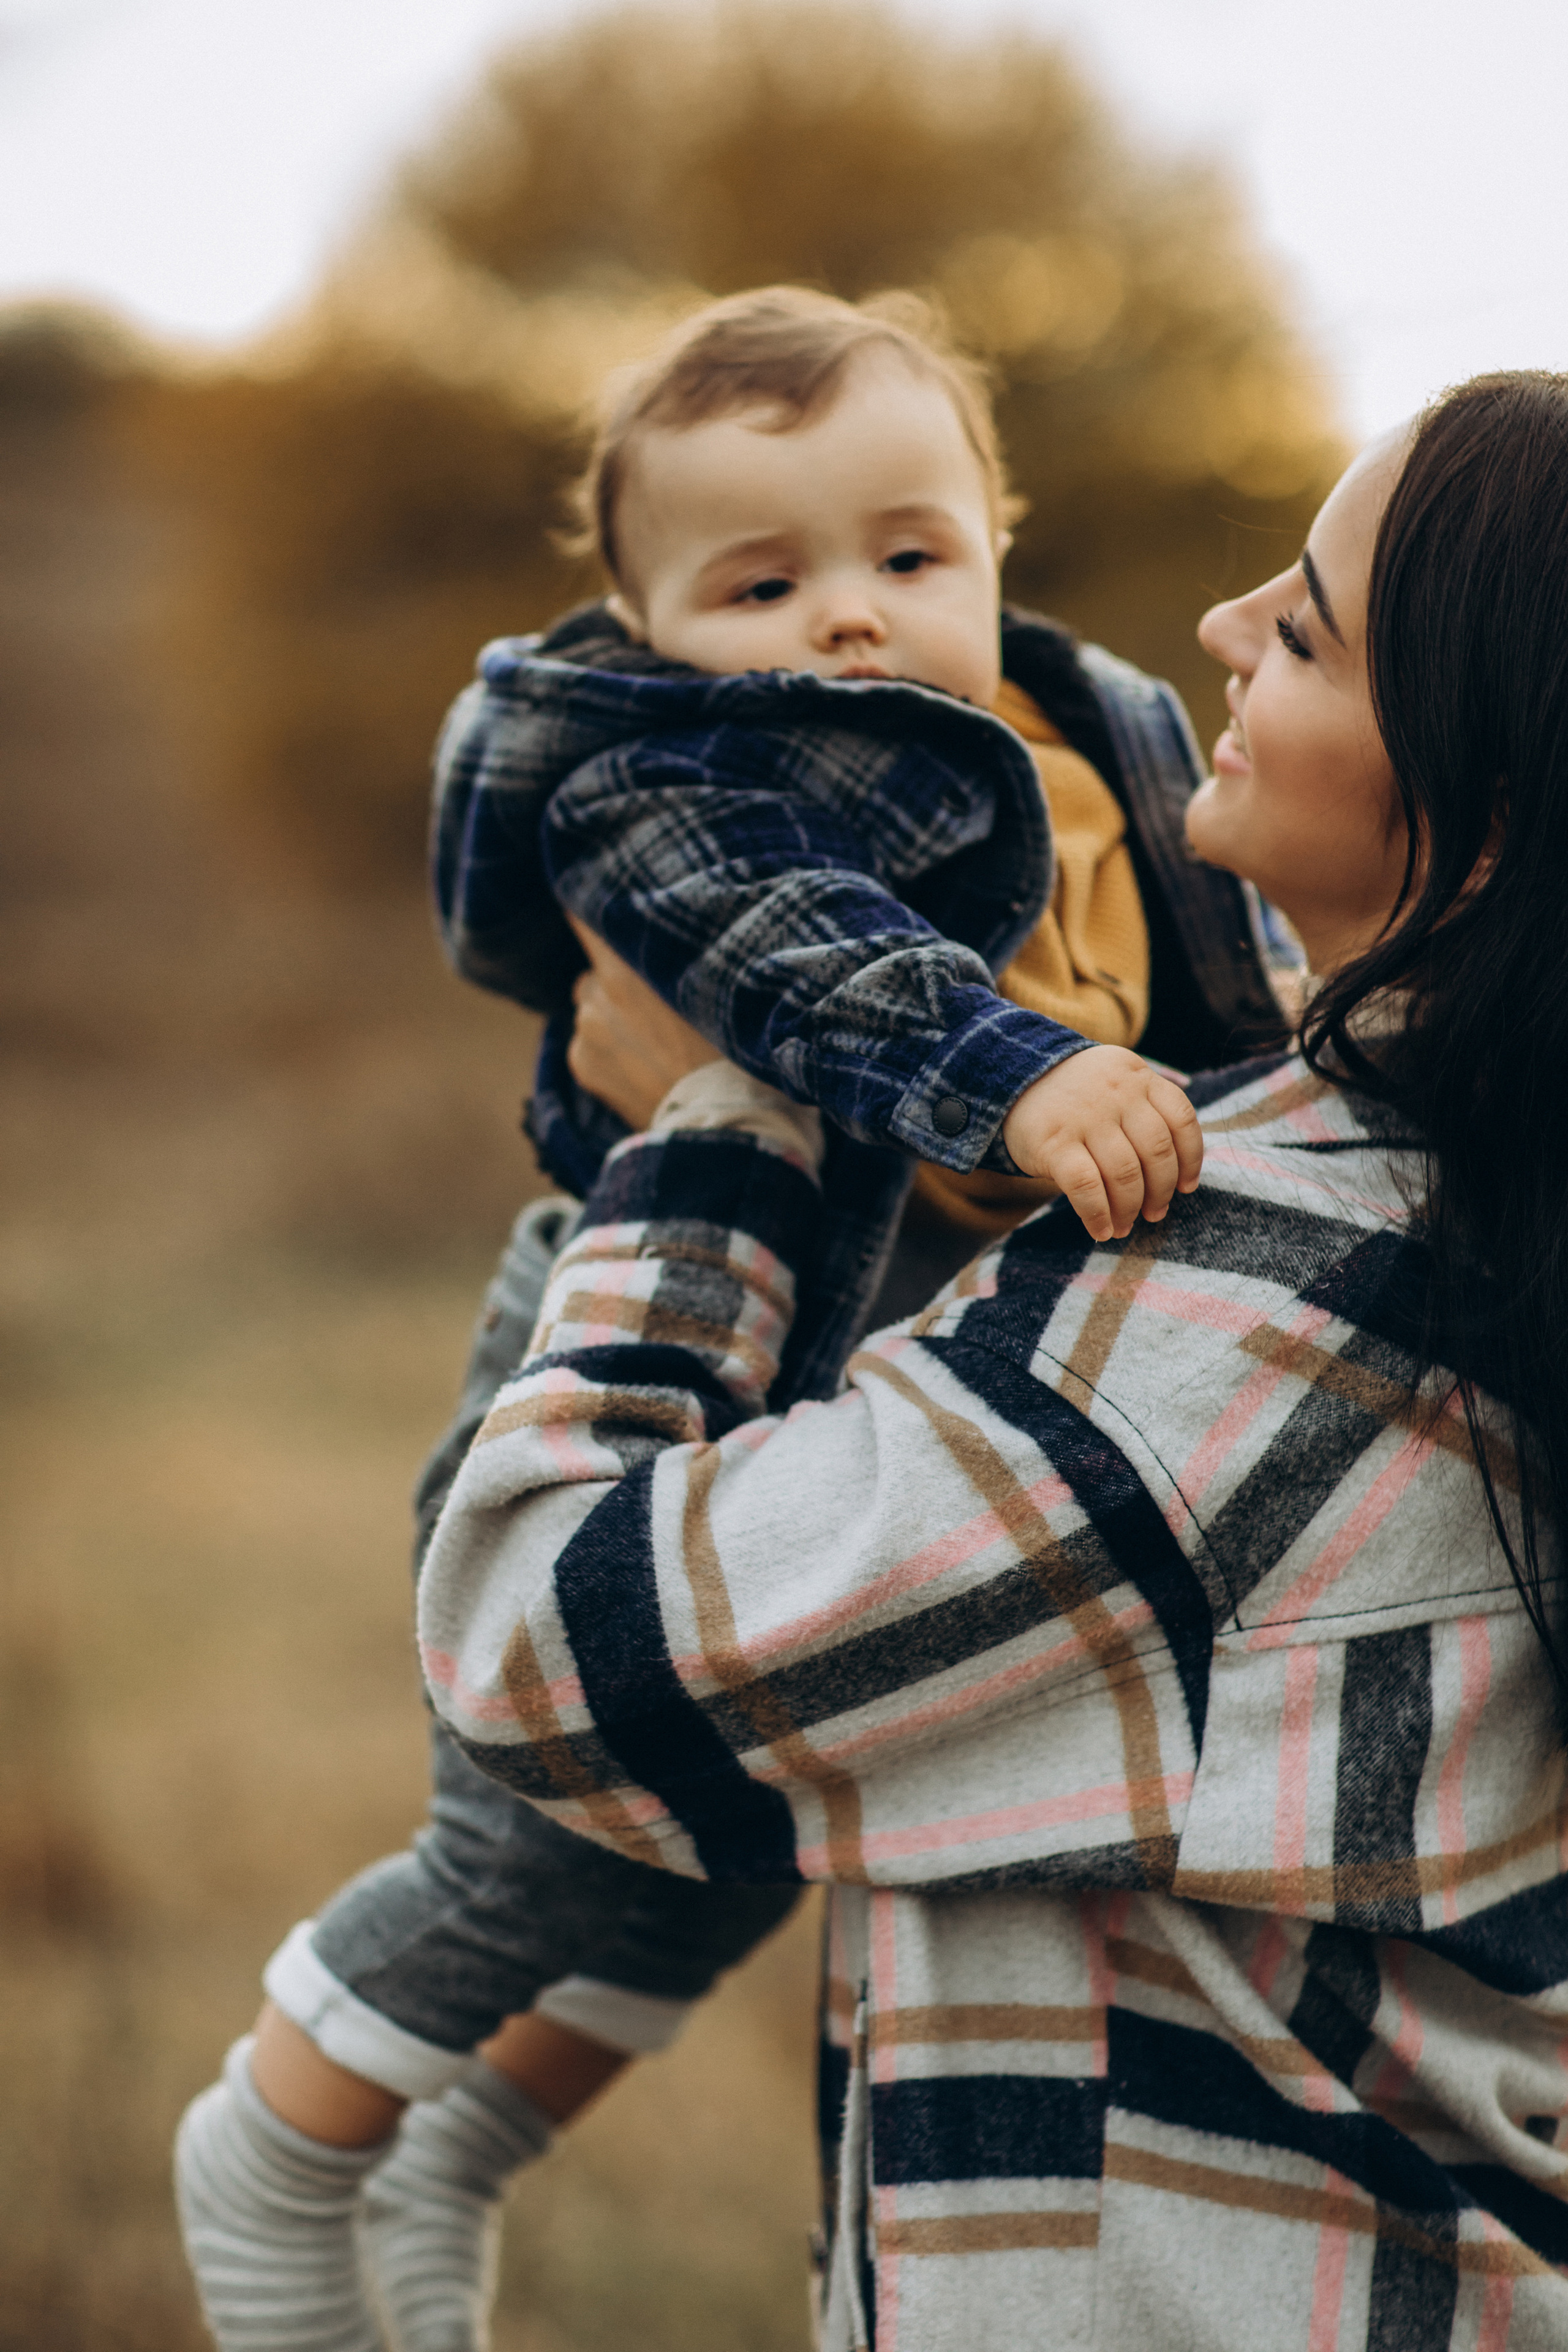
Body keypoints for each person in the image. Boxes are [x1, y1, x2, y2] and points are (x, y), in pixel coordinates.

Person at [173, 287, 1291, 2352]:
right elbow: (802, 952)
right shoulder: (670, 784)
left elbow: (1248, 1007)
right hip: (647, 1354)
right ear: (646, 627)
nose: (848, 617)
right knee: (536, 1847)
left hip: (868, 1399)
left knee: (744, 1848)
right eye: (760, 585)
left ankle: (459, 2154)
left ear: (996, 539)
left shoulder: (1122, 753)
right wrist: (1015, 1076)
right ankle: (273, 2153)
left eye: (908, 553)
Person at [413, 372, 1568, 2351]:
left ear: (1485, 817)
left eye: (1303, 633)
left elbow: (539, 1637)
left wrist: (715, 1116)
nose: (1218, 626)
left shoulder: (1234, 1329)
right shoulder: (1493, 1197)